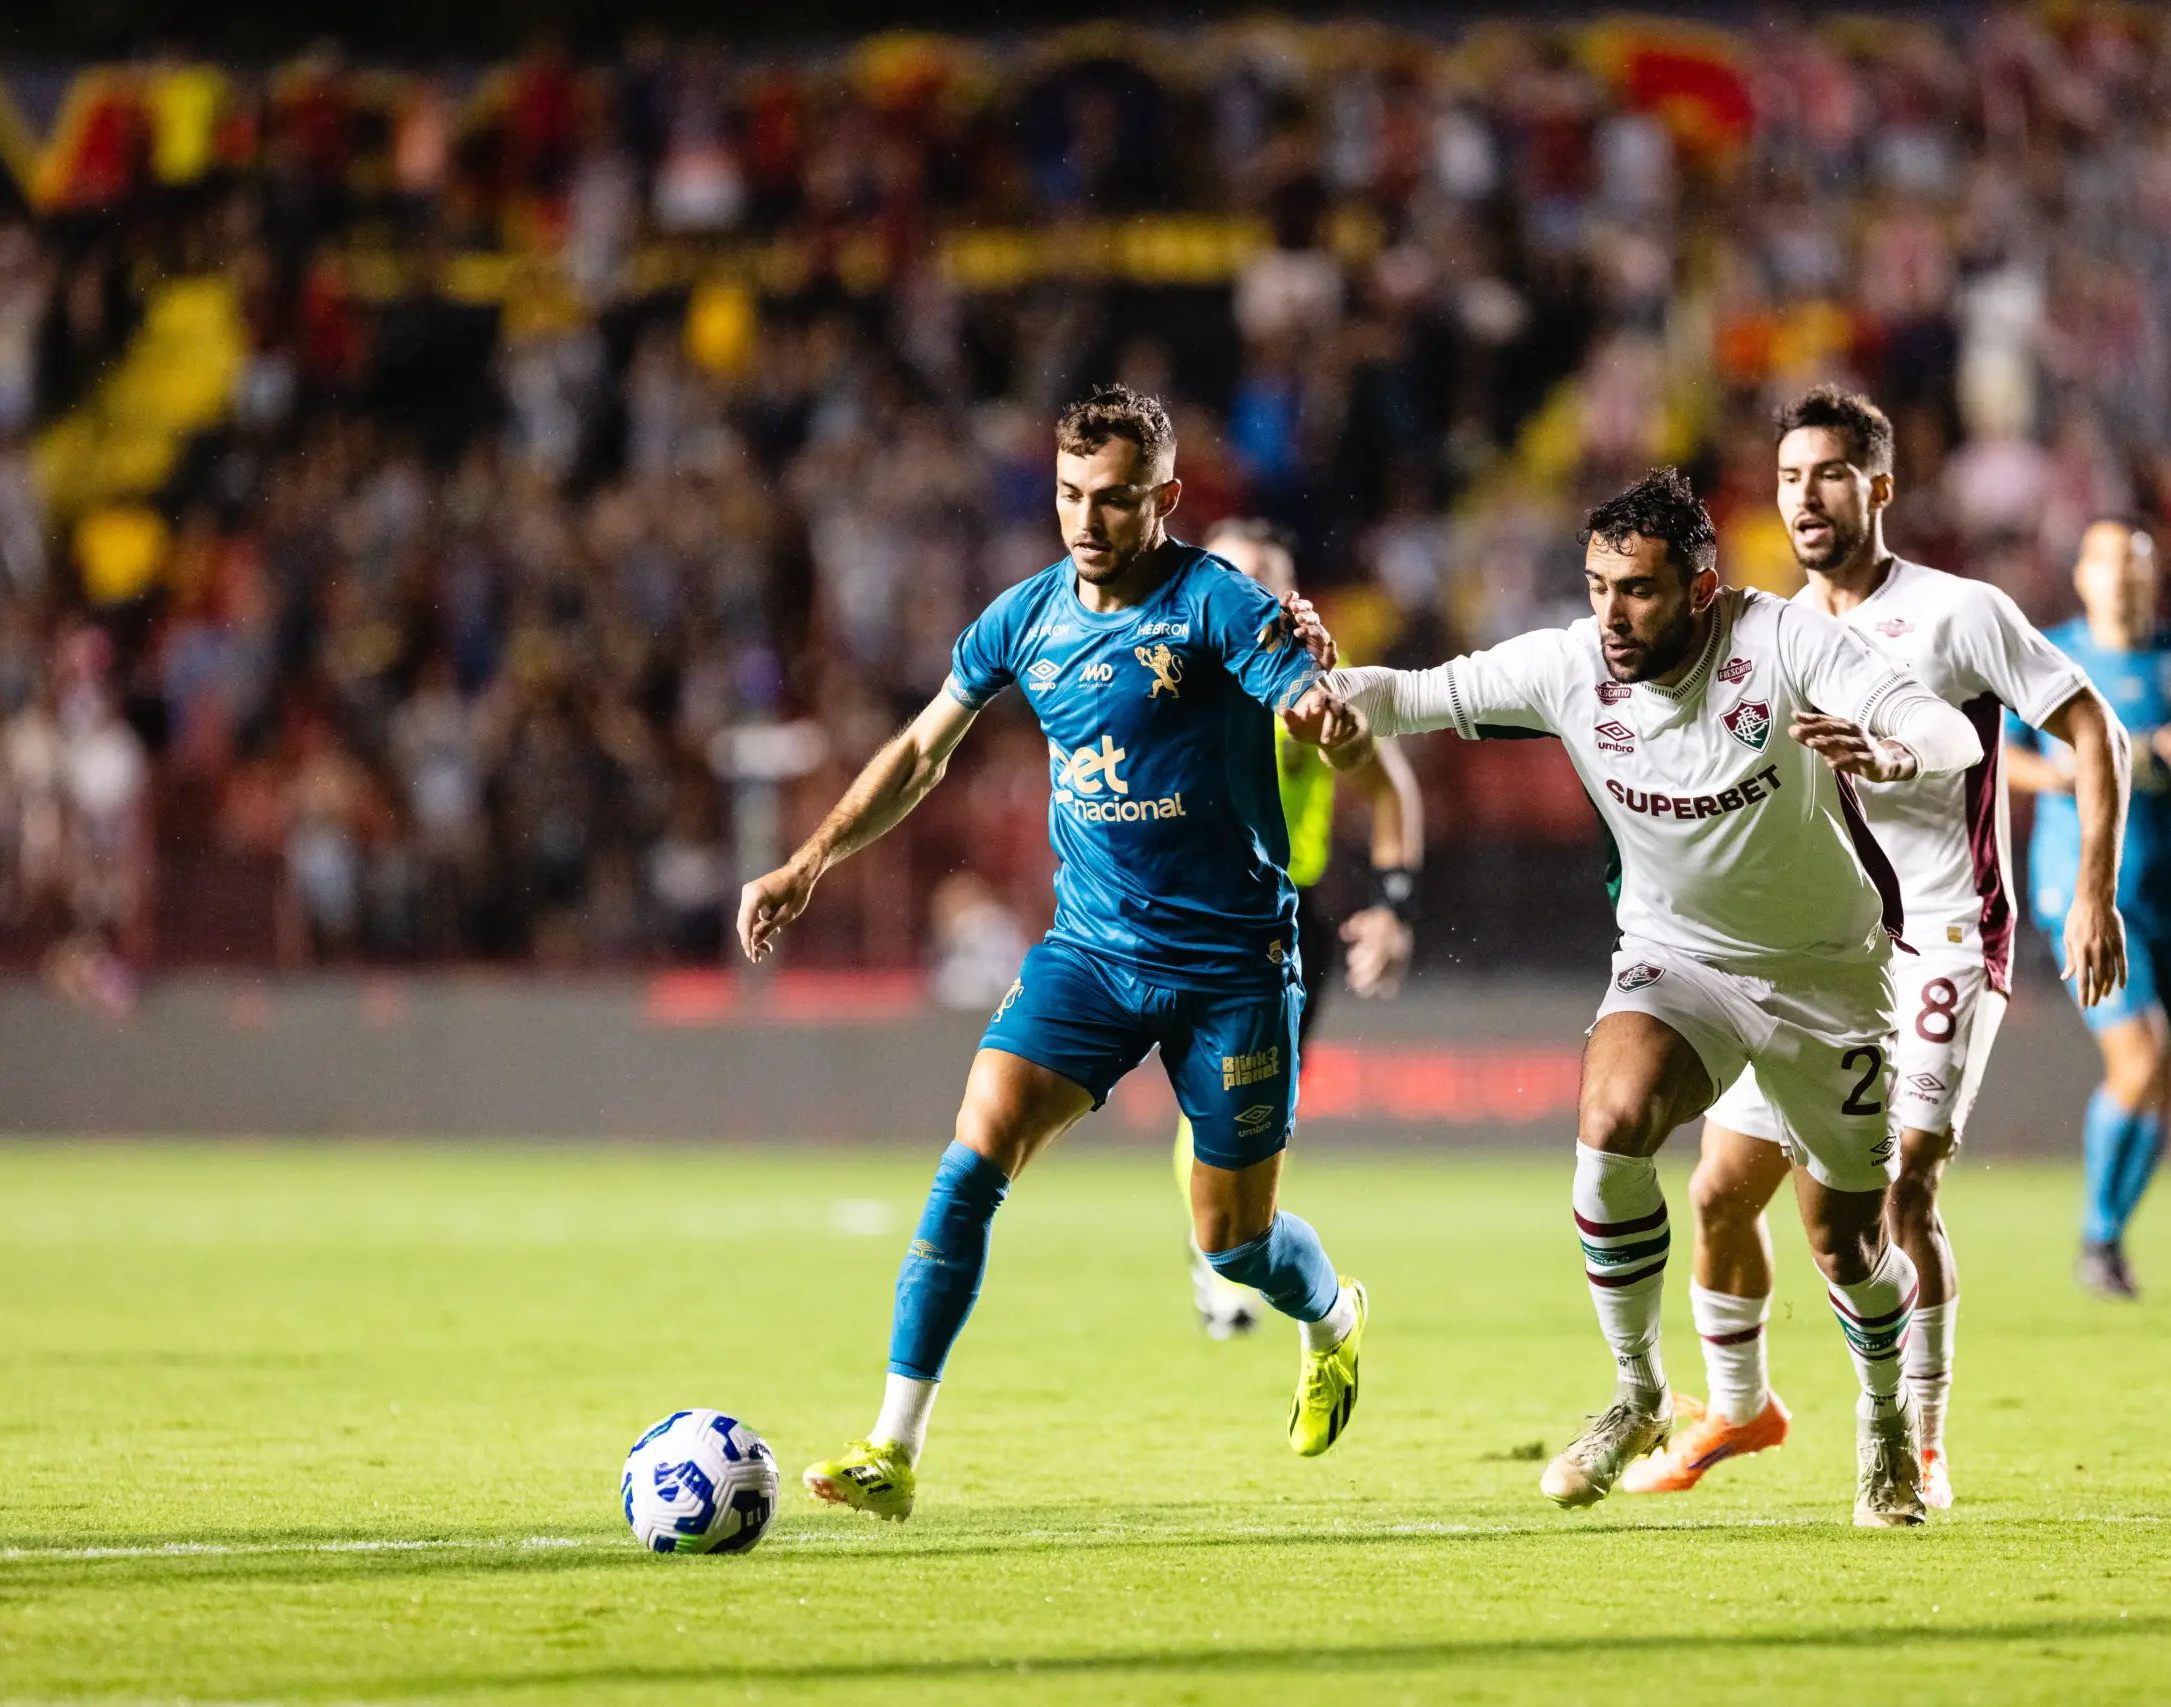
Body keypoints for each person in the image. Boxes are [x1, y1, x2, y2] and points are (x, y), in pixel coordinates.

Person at [737, 386, 1374, 1522]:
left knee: (1231, 1246)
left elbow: (1302, 697)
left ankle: (1330, 1317)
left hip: (1232, 968)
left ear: (1166, 500)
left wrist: (1322, 708)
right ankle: (893, 1446)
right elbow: (923, 750)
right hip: (1090, 951)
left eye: (1118, 499)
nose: (1089, 519)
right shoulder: (1022, 619)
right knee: (973, 1155)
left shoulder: (1221, 605)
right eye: (1073, 494)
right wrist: (807, 862)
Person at [1304, 467, 1986, 1527]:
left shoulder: (1780, 643)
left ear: (1702, 589)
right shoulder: (1569, 667)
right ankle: (1636, 1392)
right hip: (1678, 958)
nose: (1611, 614)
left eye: (1639, 590)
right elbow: (1410, 692)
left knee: (1847, 1245)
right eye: (1596, 586)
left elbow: (1951, 733)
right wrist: (1326, 695)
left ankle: (1888, 1422)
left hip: (1826, 978)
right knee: (1610, 1123)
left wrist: (1891, 751)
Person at [1621, 387, 2130, 1513]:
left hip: (1945, 939)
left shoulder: (1959, 613)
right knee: (1715, 1194)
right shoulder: (1766, 634)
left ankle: (1918, 1446)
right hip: (1814, 958)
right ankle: (1738, 1406)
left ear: (1879, 488)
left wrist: (2092, 892)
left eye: (1831, 474)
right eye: (1790, 476)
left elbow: (2095, 727)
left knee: (1895, 1196)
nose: (1806, 494)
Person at [1176, 517, 1425, 1339]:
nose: (1245, 601)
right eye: (1230, 578)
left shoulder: (1317, 680)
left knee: (1250, 1105)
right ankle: (1219, 1260)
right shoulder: (1160, 665)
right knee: (1210, 1093)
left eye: (1263, 585)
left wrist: (1393, 903)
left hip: (1281, 921)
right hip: (1176, 903)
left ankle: (1225, 1250)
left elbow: (1388, 790)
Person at [2005, 519, 2171, 1300]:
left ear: (2154, 576)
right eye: (2109, 564)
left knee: (2162, 1074)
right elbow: (1998, 748)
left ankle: (2105, 1239)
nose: (2123, 577)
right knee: (2139, 1061)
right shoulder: (2049, 654)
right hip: (2078, 888)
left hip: (2170, 892)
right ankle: (2098, 1237)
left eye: (2136, 564)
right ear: (2082, 576)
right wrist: (2069, 771)